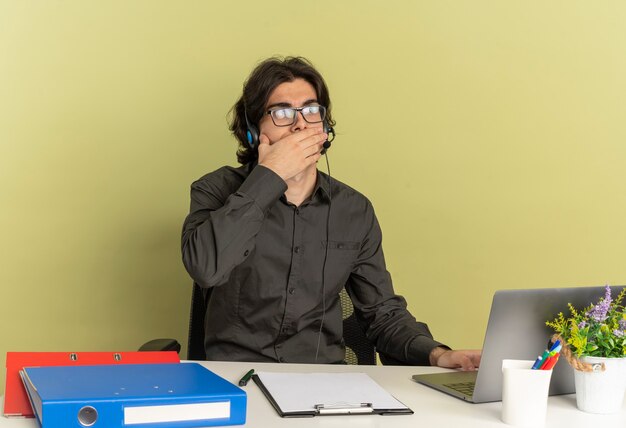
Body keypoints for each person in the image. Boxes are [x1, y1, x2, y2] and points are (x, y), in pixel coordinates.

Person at [182, 56, 481, 370]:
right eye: (282, 112)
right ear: (253, 131)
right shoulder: (214, 190)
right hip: (237, 379)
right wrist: (271, 174)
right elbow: (205, 267)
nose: (300, 123)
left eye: (311, 110)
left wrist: (438, 354)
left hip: (323, 384)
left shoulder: (353, 210)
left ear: (325, 128)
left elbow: (383, 316)